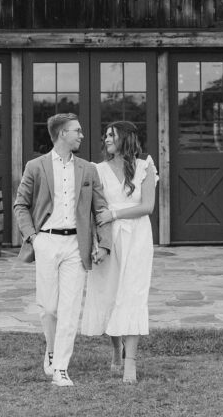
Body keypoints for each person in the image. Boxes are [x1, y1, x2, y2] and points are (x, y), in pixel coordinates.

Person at [14, 112, 113, 388]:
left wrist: (103, 243)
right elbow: (20, 204)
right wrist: (33, 238)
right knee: (49, 307)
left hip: (75, 245)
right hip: (46, 241)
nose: (82, 135)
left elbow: (101, 208)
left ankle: (61, 368)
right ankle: (50, 348)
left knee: (70, 308)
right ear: (61, 135)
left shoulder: (88, 169)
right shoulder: (36, 166)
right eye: (76, 131)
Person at [81, 120, 157, 384]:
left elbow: (147, 207)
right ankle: (116, 350)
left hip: (137, 238)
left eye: (112, 135)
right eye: (106, 136)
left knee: (132, 296)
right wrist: (97, 246)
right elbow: (93, 213)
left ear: (126, 138)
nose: (107, 139)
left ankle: (131, 364)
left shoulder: (145, 167)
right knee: (110, 295)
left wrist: (115, 213)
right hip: (109, 240)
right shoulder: (96, 170)